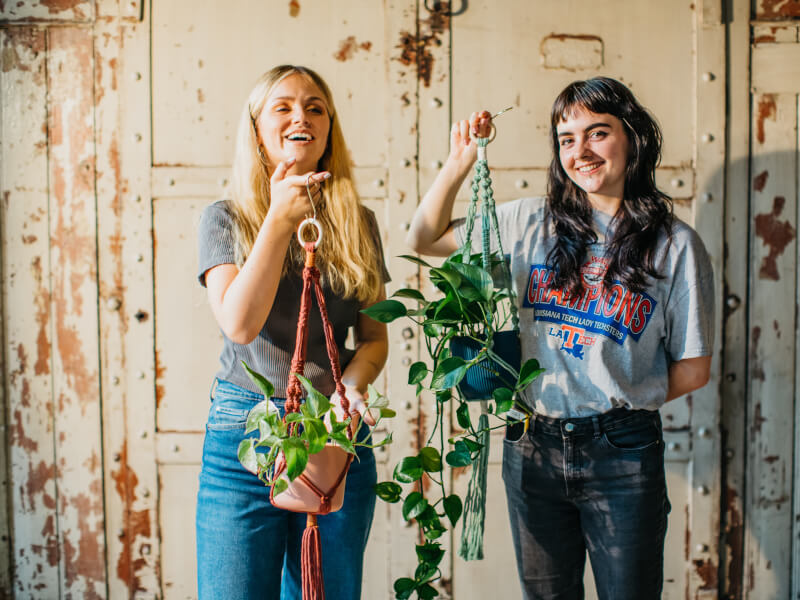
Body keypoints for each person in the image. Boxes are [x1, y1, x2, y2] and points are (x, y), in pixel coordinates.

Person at [406, 77, 714, 599]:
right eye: (566, 139)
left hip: (623, 451)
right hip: (533, 446)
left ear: (633, 138)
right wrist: (460, 162)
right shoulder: (529, 222)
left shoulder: (674, 245)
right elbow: (425, 238)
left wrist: (616, 396)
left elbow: (693, 366)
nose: (581, 151)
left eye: (598, 133)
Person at [195, 65, 389, 600]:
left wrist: (353, 385)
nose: (300, 116)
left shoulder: (358, 223)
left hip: (333, 432)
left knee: (324, 592)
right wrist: (279, 220)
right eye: (282, 107)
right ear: (257, 129)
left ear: (329, 129)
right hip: (245, 438)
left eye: (315, 107)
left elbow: (374, 337)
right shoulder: (226, 218)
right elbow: (240, 324)